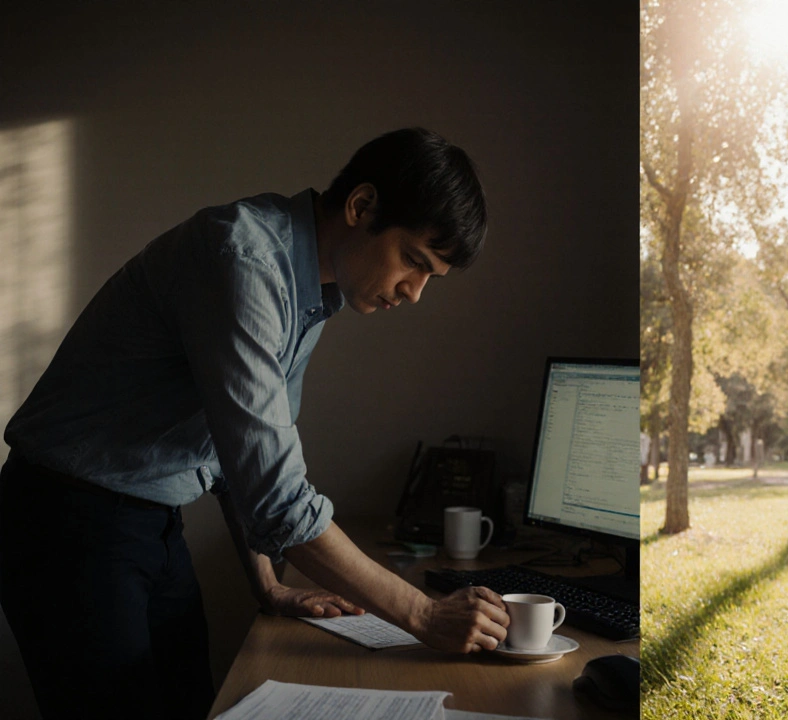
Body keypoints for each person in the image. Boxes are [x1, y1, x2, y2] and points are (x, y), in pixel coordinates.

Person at [0, 128, 509, 720]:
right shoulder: (246, 262)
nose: (415, 293)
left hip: (148, 522)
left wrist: (267, 585)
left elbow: (240, 459)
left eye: (430, 278)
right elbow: (278, 499)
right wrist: (423, 615)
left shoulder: (314, 287)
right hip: (66, 523)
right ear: (361, 206)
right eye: (413, 262)